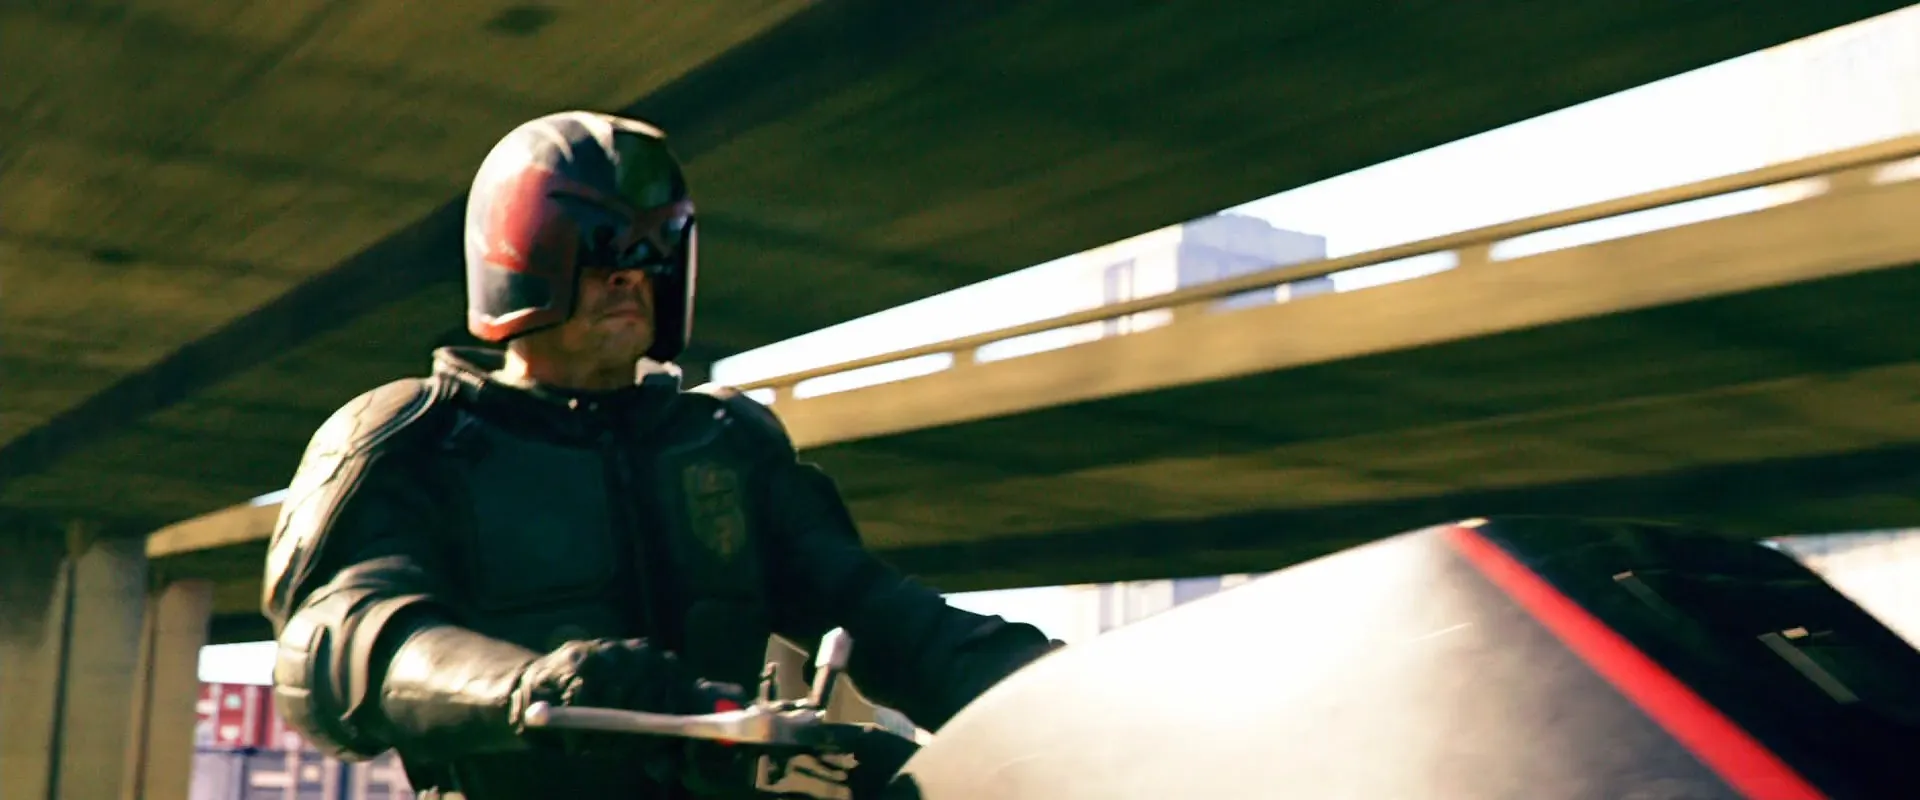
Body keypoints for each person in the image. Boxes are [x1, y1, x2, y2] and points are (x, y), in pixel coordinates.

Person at [260, 110, 1059, 798]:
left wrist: (1058, 687)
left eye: (656, 248)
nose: (631, 277)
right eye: (602, 245)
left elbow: (883, 618)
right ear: (521, 251)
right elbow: (333, 648)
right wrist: (531, 689)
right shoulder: (417, 438)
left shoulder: (726, 447)